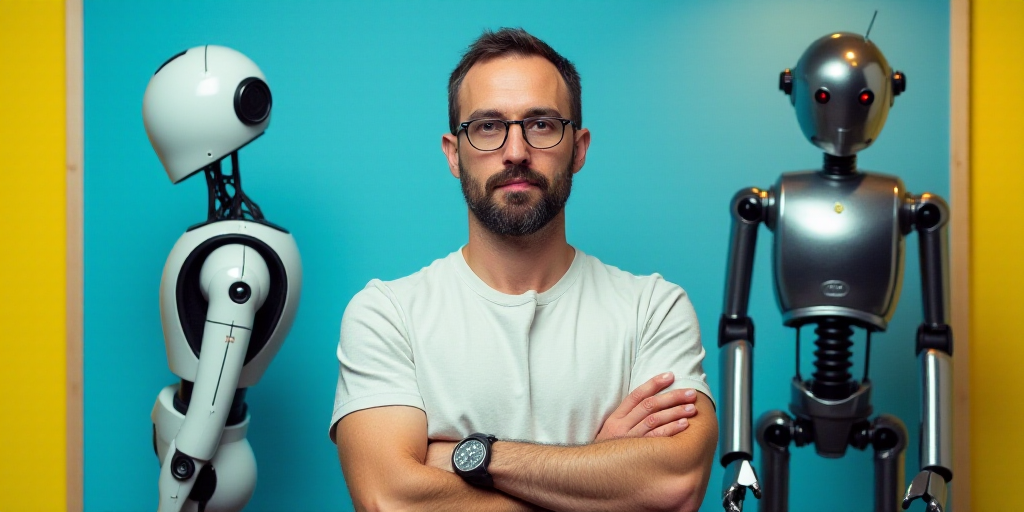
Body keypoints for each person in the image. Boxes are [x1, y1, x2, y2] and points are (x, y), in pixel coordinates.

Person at [330, 27, 717, 512]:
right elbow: (391, 499)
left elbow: (674, 485)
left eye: (541, 124)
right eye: (488, 127)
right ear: (454, 153)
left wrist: (469, 458)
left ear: (578, 147)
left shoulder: (653, 309)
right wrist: (598, 469)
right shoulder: (388, 314)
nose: (515, 152)